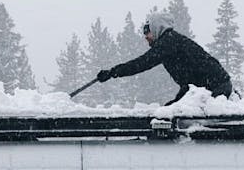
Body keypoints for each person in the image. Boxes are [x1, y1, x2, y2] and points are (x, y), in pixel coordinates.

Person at [97, 13, 234, 105]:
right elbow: (191, 79)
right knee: (168, 114)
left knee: (170, 118)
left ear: (157, 28)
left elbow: (142, 63)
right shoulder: (171, 41)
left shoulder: (168, 42)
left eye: (148, 32)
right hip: (205, 87)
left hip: (215, 88)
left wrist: (113, 72)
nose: (146, 37)